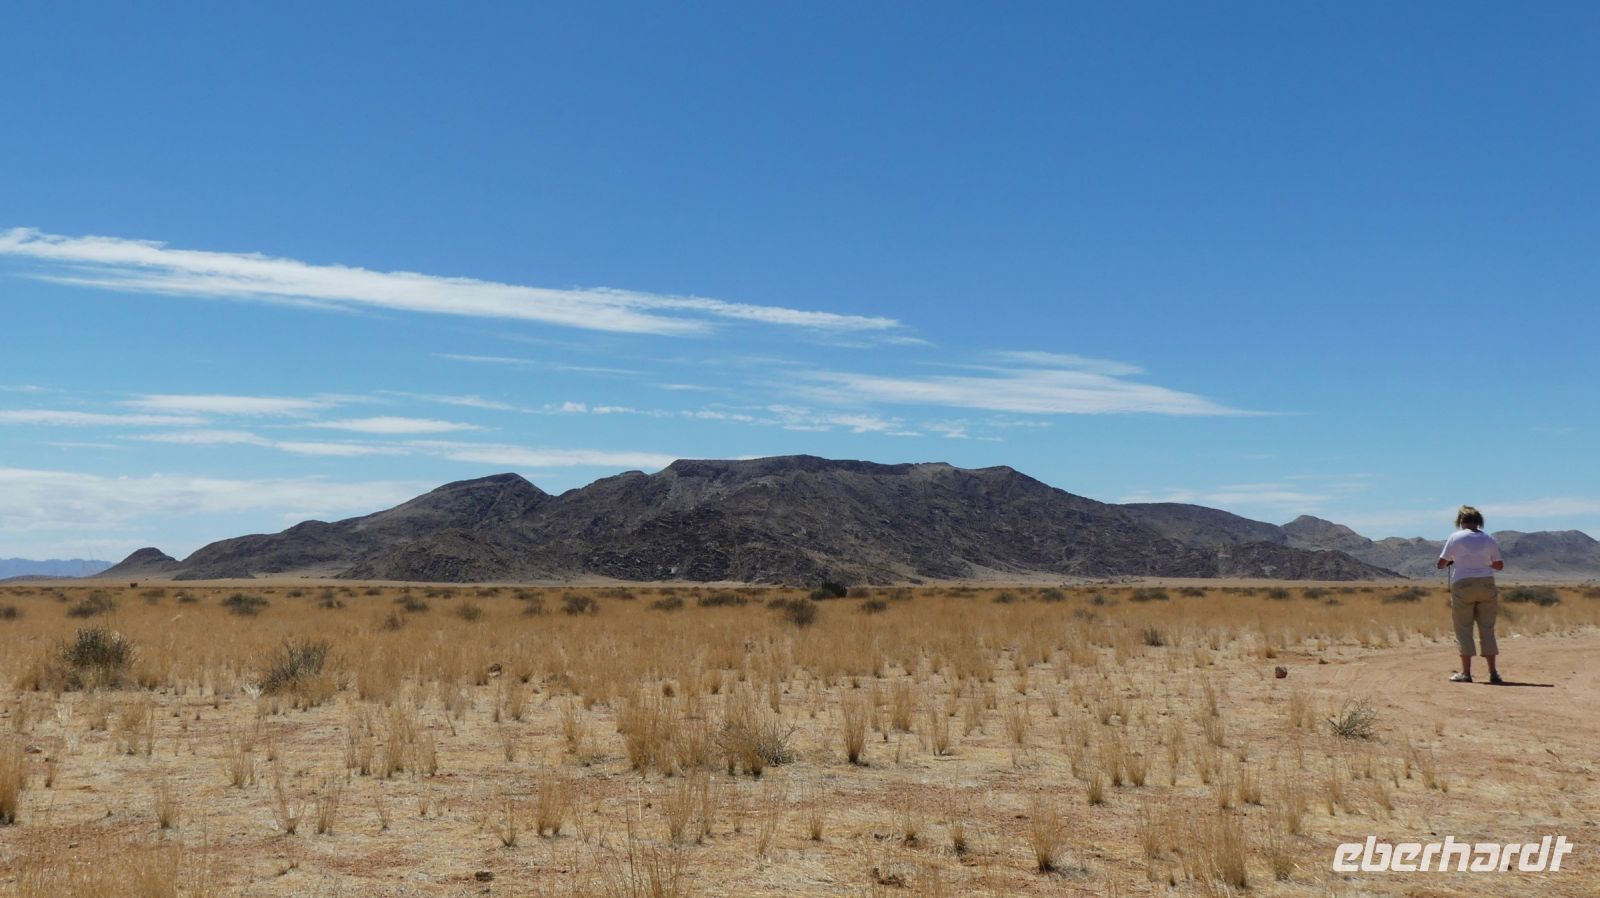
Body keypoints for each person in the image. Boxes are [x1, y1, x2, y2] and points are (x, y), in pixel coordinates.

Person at [1436, 505, 1504, 684]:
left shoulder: (1455, 537)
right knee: (1487, 628)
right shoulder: (1489, 538)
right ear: (1479, 521)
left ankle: (1466, 673)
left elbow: (1441, 564)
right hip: (1486, 583)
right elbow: (1499, 565)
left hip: (1463, 584)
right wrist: (1483, 563)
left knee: (1464, 628)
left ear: (1460, 521)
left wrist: (1454, 560)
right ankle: (1493, 672)